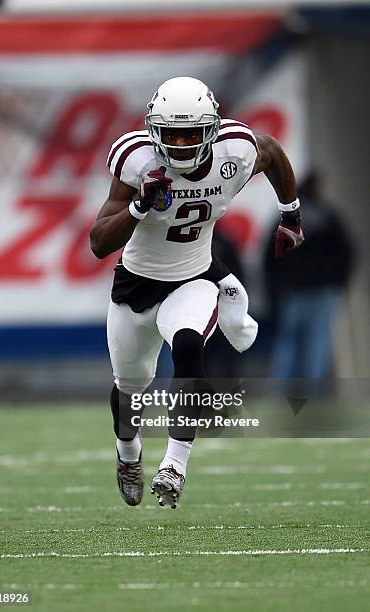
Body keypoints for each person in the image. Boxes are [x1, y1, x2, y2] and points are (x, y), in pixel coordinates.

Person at [90, 76, 303, 509]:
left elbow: (274, 153)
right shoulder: (136, 161)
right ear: (154, 132)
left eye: (193, 133)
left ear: (213, 127)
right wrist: (138, 205)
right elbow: (98, 242)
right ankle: (128, 454)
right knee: (129, 388)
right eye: (173, 135)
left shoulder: (236, 149)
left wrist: (291, 214)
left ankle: (175, 464)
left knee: (189, 346)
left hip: (195, 278)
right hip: (136, 284)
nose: (183, 145)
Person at [264, 170, 354, 381]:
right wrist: (337, 281)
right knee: (317, 345)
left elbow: (269, 257)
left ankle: (278, 396)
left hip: (293, 291)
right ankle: (311, 398)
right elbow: (348, 253)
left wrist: (276, 288)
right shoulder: (328, 216)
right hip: (323, 291)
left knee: (287, 344)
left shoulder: (284, 219)